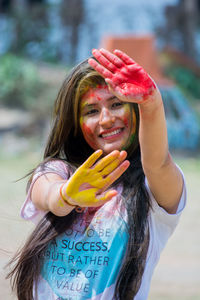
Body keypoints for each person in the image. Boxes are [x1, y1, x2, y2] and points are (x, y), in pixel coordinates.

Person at [7, 48, 186, 300]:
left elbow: (157, 164)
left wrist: (151, 104)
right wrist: (67, 196)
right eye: (91, 111)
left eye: (116, 104)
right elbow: (47, 195)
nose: (106, 119)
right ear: (75, 124)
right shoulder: (57, 172)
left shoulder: (151, 191)